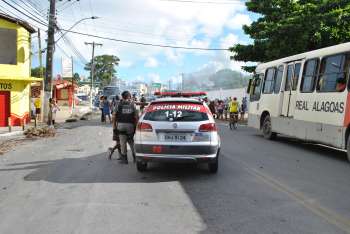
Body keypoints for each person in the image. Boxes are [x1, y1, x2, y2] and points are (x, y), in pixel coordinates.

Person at [114, 91, 139, 164]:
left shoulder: (118, 104)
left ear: (122, 97)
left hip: (121, 125)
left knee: (122, 142)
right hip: (130, 126)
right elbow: (136, 117)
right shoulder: (133, 104)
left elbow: (114, 116)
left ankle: (124, 160)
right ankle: (135, 158)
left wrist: (114, 127)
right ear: (129, 96)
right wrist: (136, 127)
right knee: (131, 141)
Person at [108, 95, 122, 160]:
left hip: (117, 126)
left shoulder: (116, 105)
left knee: (118, 142)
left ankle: (119, 155)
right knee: (119, 142)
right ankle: (113, 151)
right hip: (118, 126)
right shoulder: (119, 105)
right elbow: (114, 117)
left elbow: (113, 116)